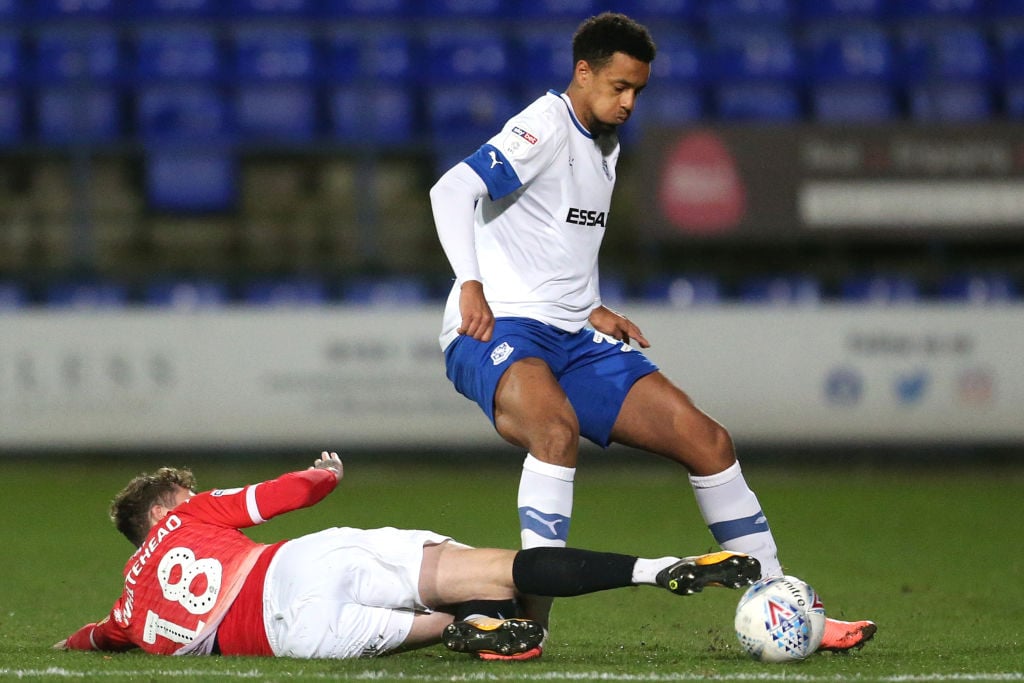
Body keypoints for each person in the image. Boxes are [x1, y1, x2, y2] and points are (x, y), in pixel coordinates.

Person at [429, 10, 875, 658]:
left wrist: (589, 306)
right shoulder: (545, 126)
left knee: (708, 439)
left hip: (569, 333)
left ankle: (786, 603)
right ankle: (530, 621)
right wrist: (468, 282)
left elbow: (554, 241)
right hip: (494, 325)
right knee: (553, 432)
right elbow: (451, 190)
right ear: (582, 73)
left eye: (638, 90)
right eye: (618, 86)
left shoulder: (605, 141)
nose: (629, 102)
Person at [54, 452, 762, 660]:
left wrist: (72, 639)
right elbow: (277, 497)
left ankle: (465, 630)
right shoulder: (191, 513)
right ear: (165, 507)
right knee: (490, 567)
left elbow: (99, 636)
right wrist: (324, 474)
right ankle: (651, 567)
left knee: (429, 626)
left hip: (288, 637)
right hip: (299, 563)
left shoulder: (128, 603)